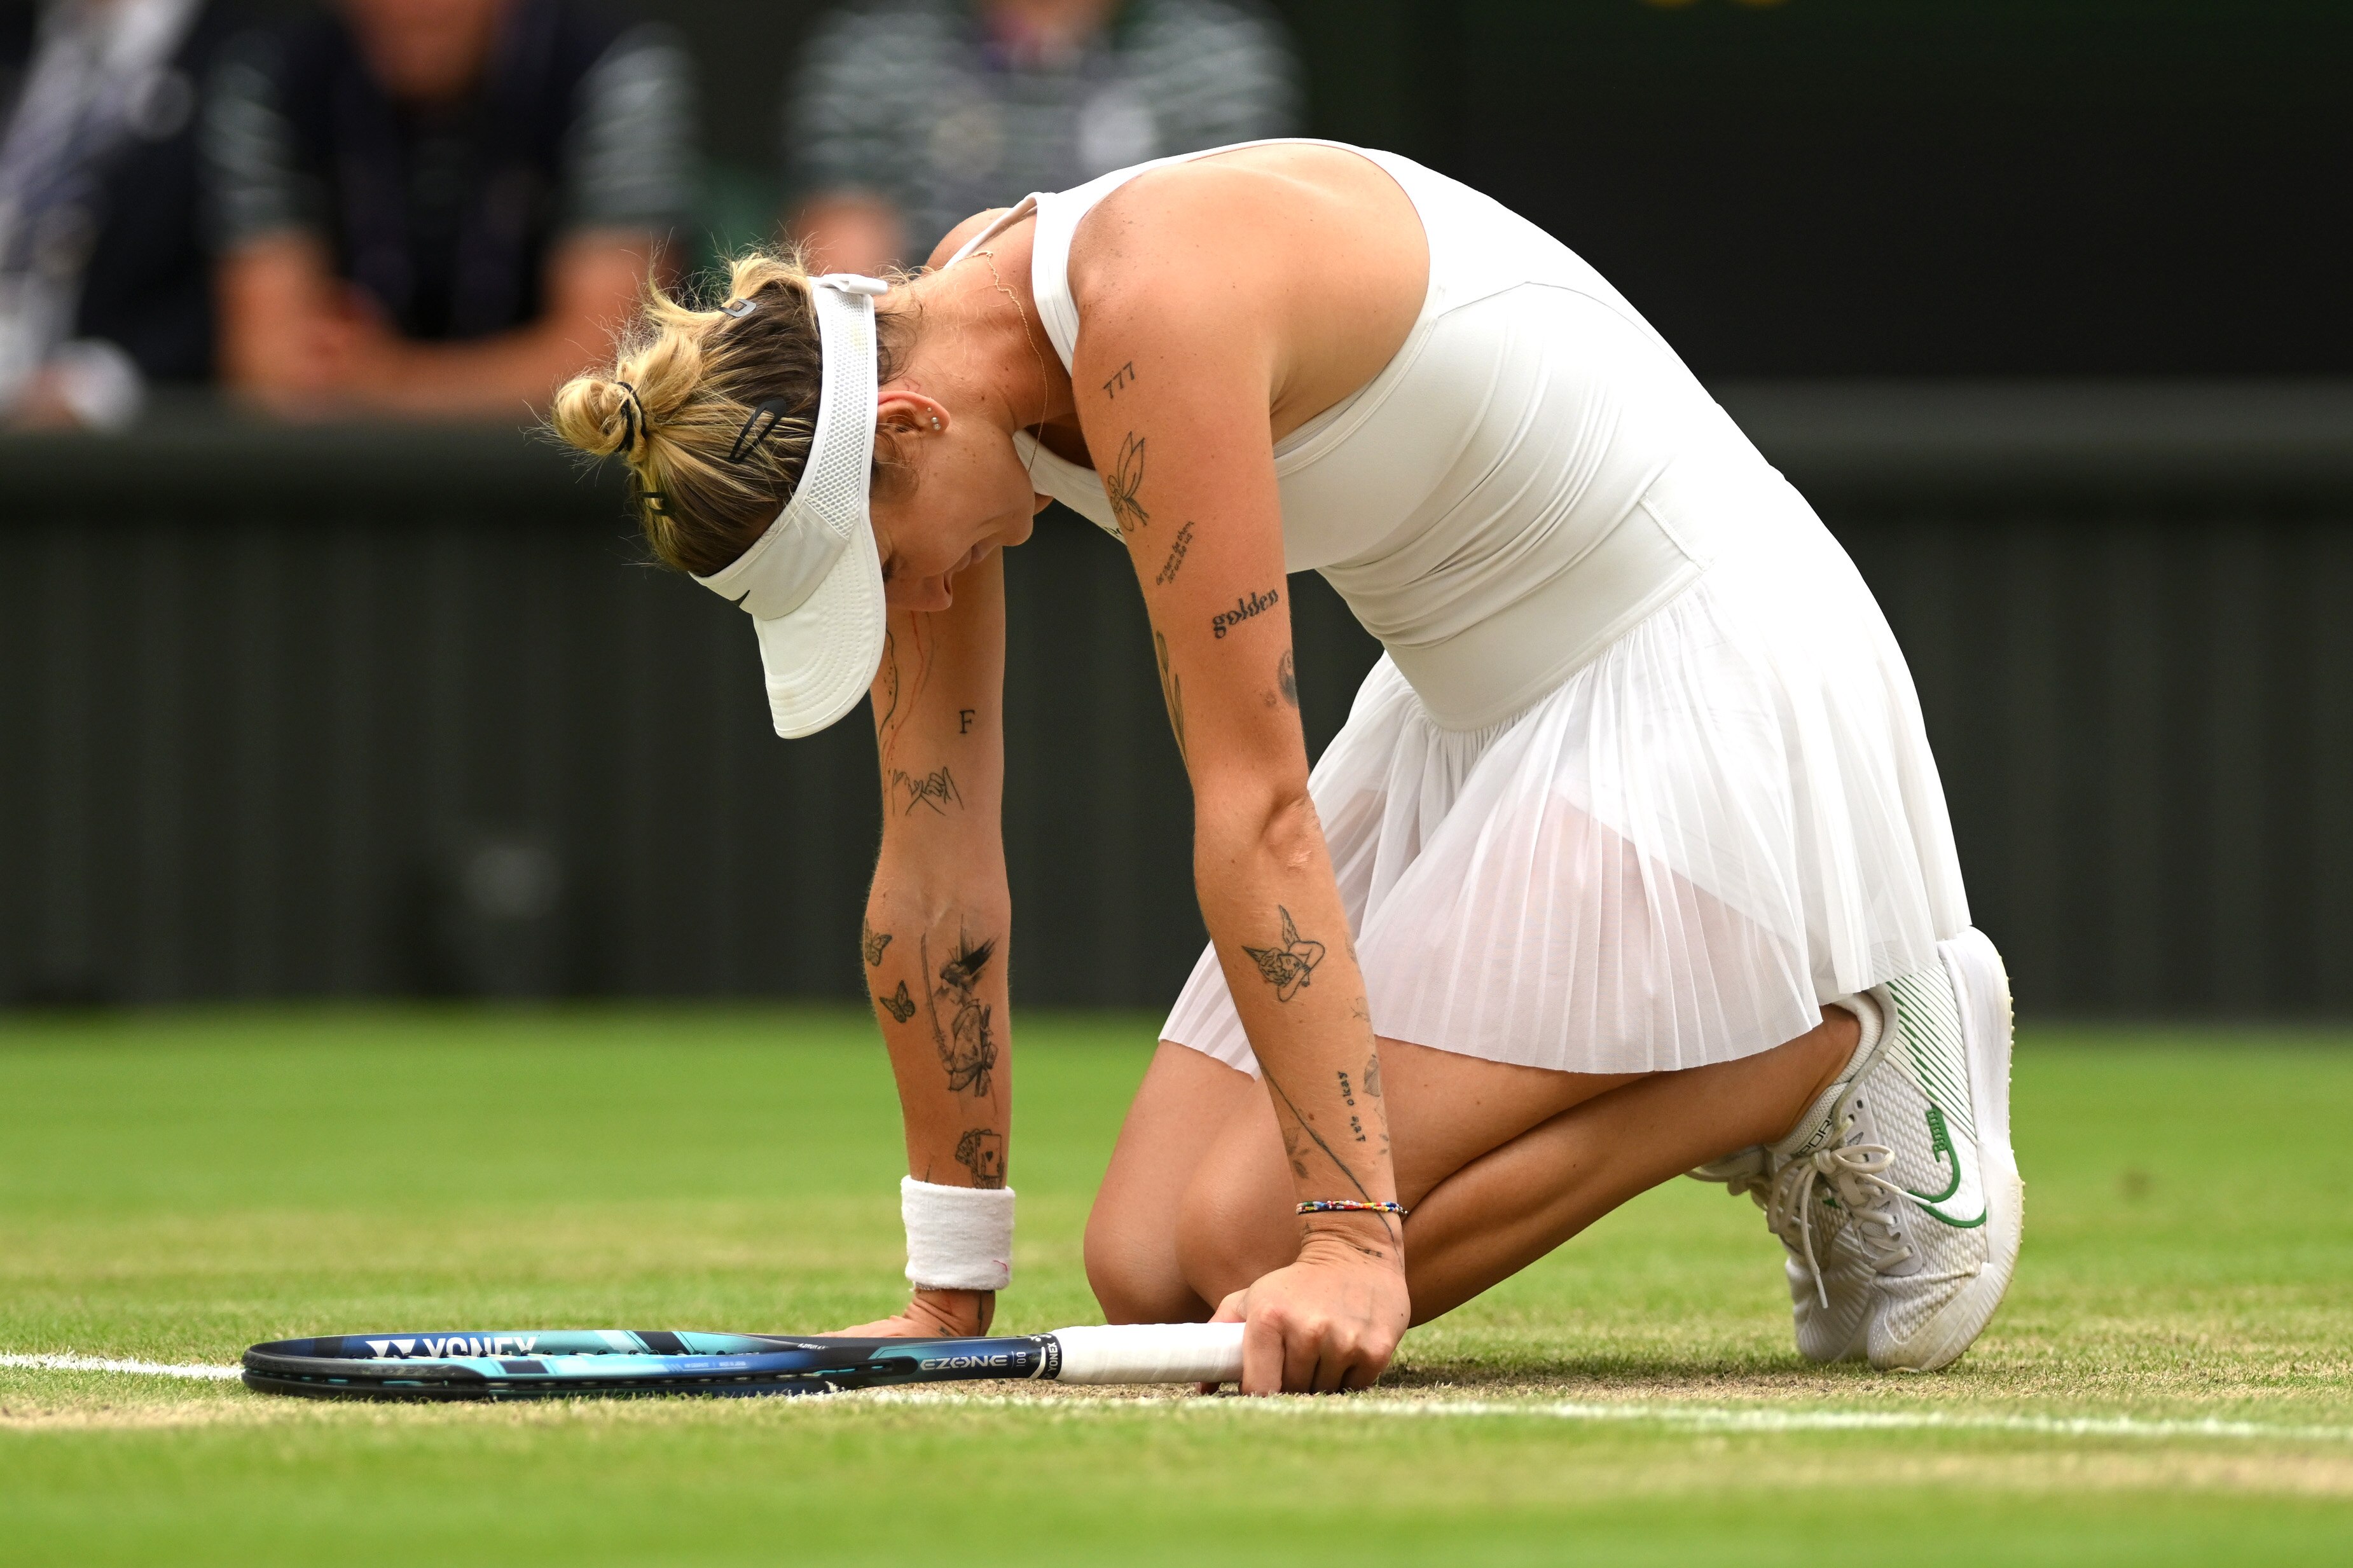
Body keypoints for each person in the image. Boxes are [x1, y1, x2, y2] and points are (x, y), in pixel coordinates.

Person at [547, 139, 2023, 1393]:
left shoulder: (1150, 309)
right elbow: (934, 869)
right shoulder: (925, 365)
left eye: (886, 572)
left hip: (1695, 666)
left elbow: (1250, 802)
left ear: (909, 432)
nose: (912, 606)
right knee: (1146, 1273)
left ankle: (1819, 1046)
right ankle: (1745, 1053)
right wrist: (948, 1290)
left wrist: (1352, 1240)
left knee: (1260, 1246)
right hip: (1473, 704)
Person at [203, 0, 693, 418]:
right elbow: (268, 364)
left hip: (573, 486)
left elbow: (609, 366)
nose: (419, 9)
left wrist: (392, 380)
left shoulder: (609, 69)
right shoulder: (277, 79)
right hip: (340, 490)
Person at [785, 0, 1295, 275]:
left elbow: (1225, 265)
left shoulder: (1216, 55)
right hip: (929, 366)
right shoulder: (876, 47)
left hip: (1137, 350)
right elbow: (842, 277)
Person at [0, 0, 245, 427]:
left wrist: (100, 383)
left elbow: (252, 277)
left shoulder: (240, 47)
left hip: (103, 430)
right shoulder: (23, 32)